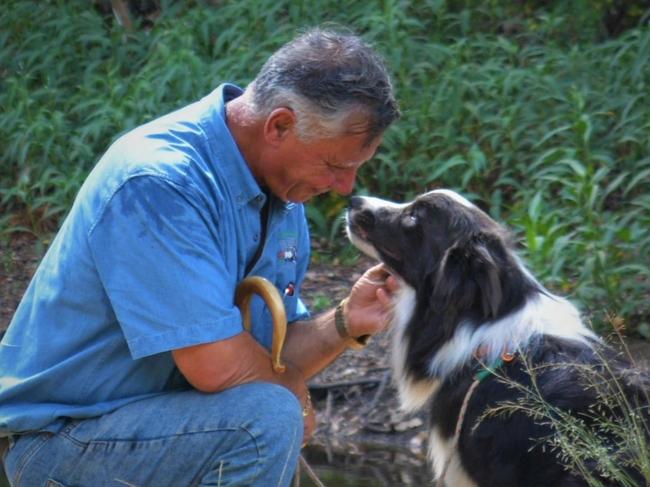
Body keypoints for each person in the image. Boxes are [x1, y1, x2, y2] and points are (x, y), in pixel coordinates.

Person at [0, 27, 400, 486]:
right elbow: (219, 366)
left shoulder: (285, 194)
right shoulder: (160, 182)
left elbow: (263, 361)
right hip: (63, 441)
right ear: (280, 125)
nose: (347, 188)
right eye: (336, 166)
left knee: (268, 412)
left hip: (157, 431)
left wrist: (348, 321)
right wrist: (295, 397)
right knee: (265, 420)